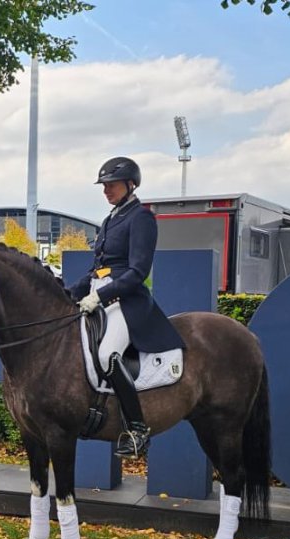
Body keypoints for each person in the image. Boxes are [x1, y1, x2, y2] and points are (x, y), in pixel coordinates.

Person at [67, 156, 186, 458]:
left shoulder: (141, 218)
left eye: (111, 185)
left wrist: (102, 295)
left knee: (107, 353)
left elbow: (137, 272)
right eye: (104, 185)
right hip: (100, 296)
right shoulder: (110, 220)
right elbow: (98, 268)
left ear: (130, 184)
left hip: (125, 301)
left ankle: (136, 428)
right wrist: (69, 291)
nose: (106, 190)